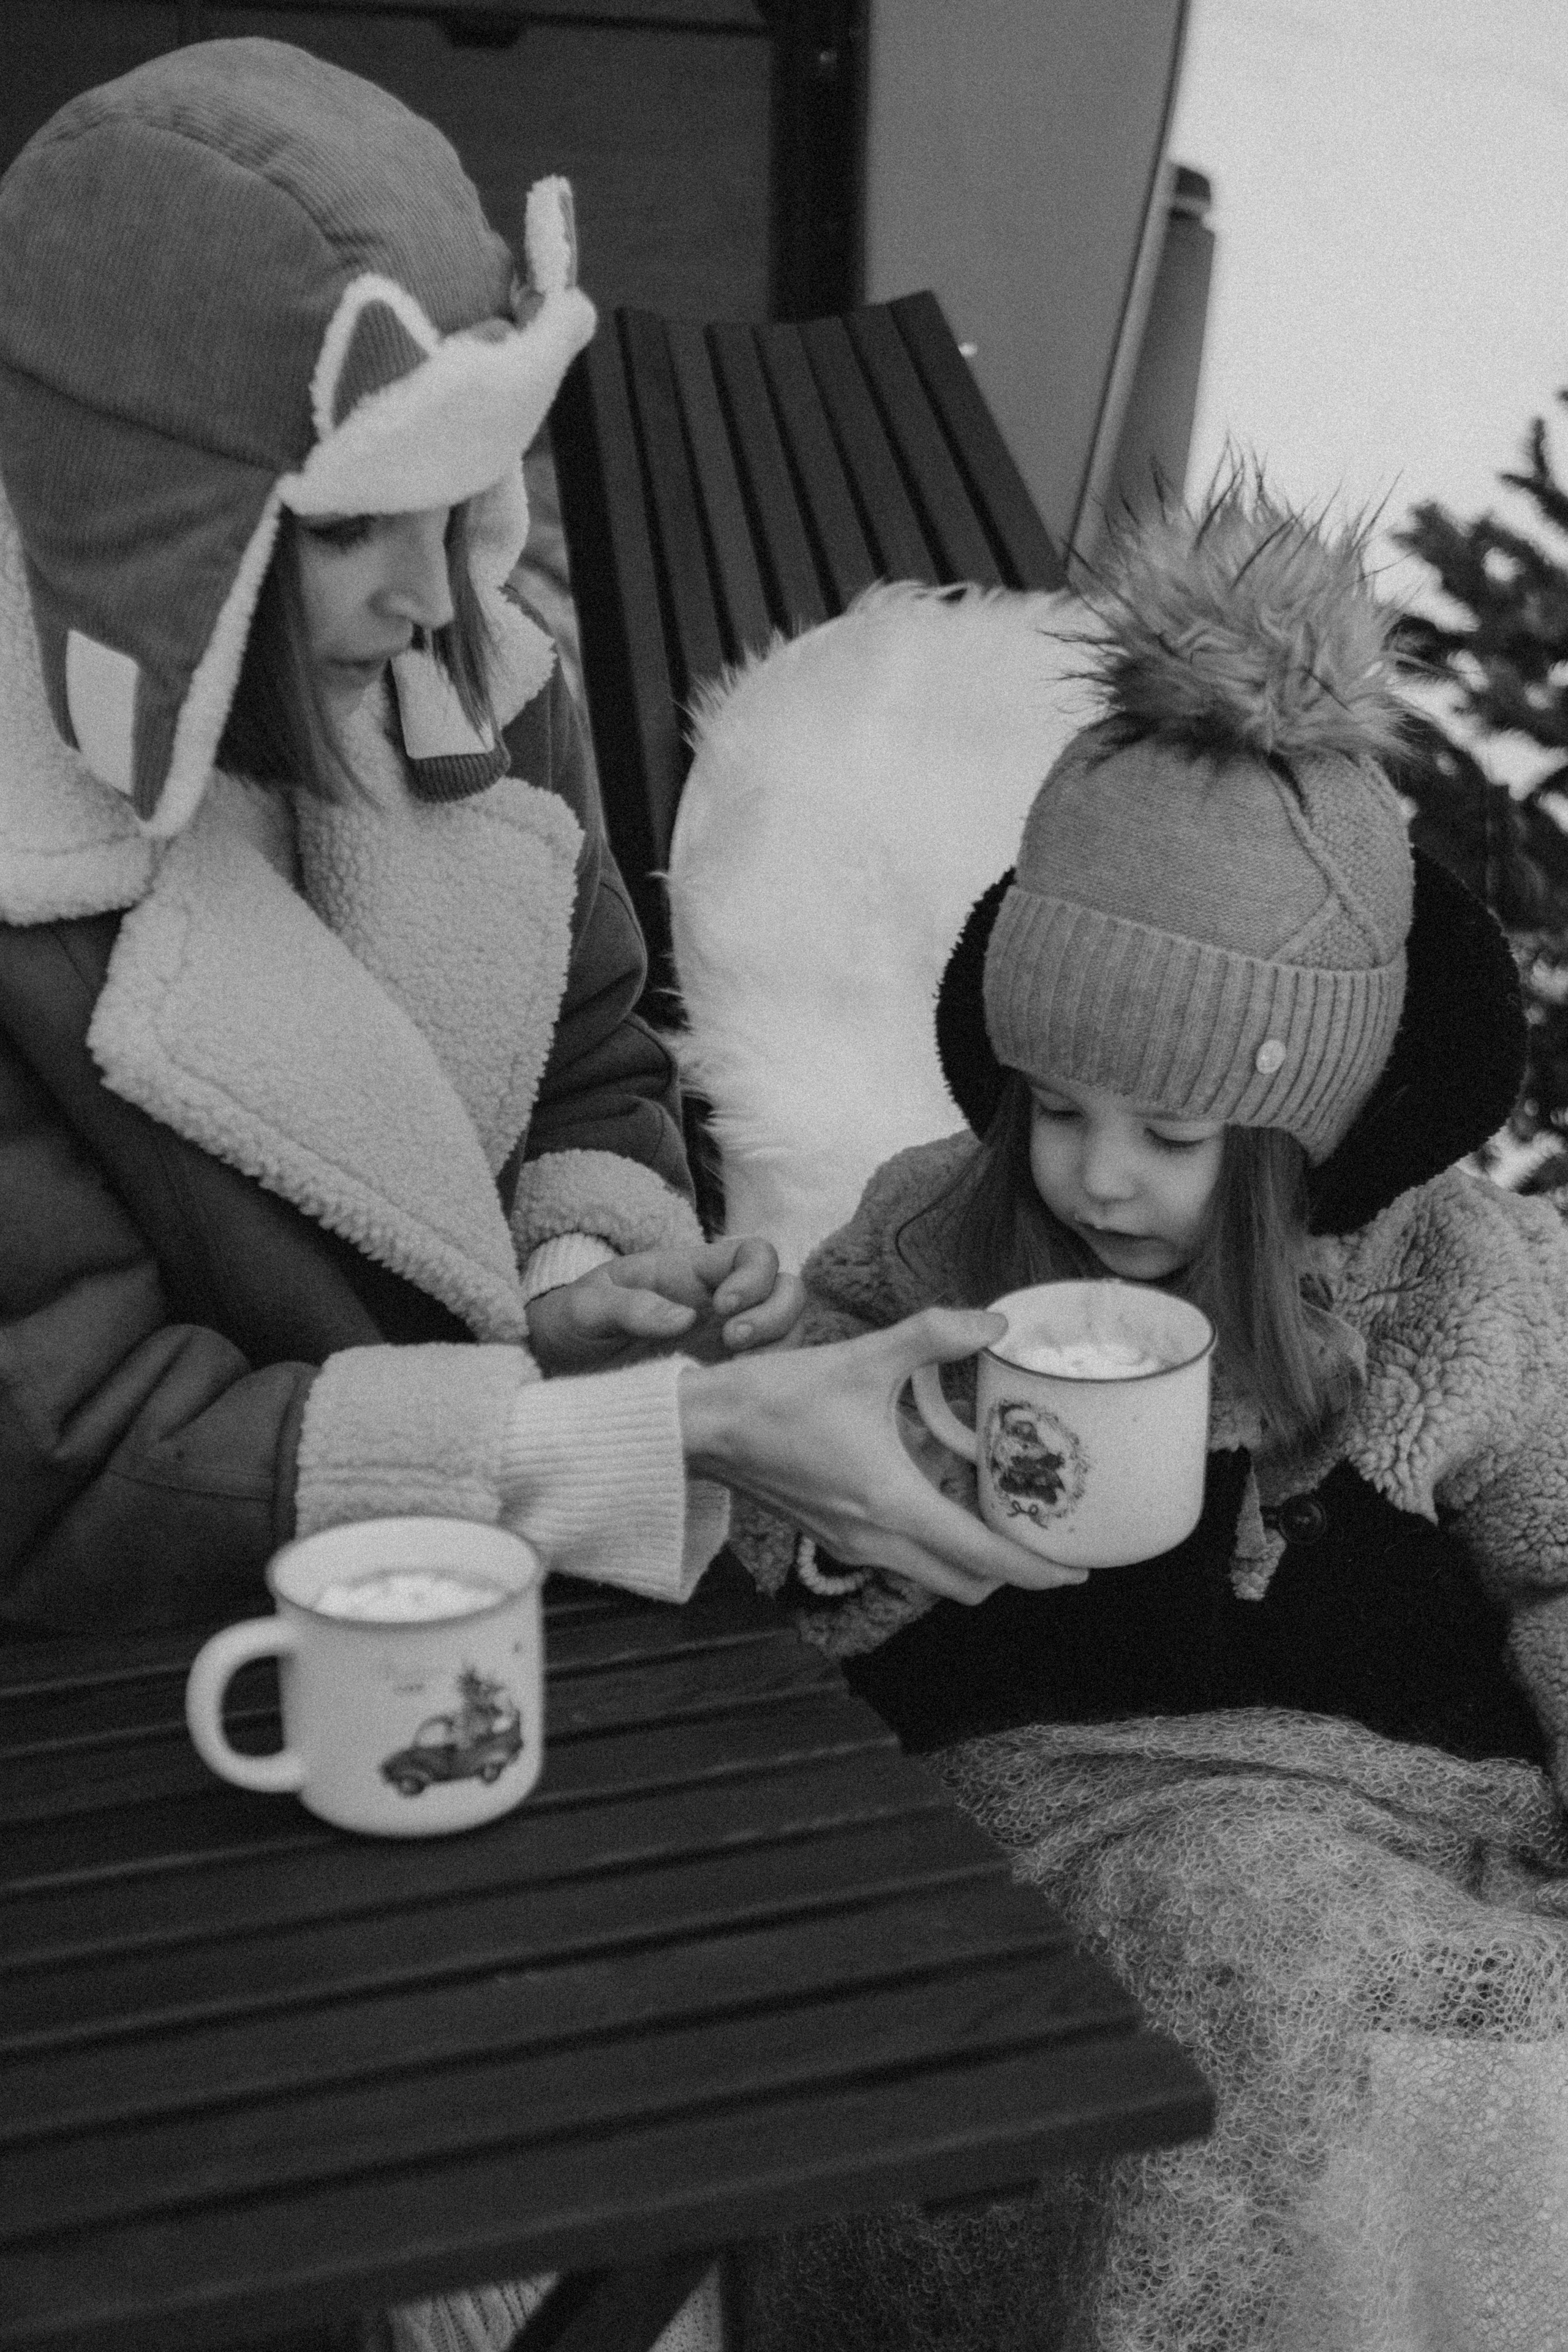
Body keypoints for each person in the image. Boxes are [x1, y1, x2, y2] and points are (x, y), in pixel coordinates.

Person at [0, 36, 1029, 1642]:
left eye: (455, 499)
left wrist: (578, 1288)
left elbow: (588, 1054)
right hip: (163, 1706)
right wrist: (618, 1437)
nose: (431, 596)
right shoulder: (27, 878)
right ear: (148, 515)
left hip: (504, 1596)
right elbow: (77, 1461)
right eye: (347, 524)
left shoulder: (466, 685)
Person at [717, 482, 1568, 2350]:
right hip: (1041, 1787)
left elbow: (1563, 1563)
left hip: (1396, 1794)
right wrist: (859, 1497)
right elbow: (785, 1524)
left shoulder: (1449, 1296)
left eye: (1174, 1136)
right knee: (1229, 1972)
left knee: (1424, 2017)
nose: (1098, 1177)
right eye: (1060, 1107)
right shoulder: (936, 1233)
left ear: (1303, 1133)